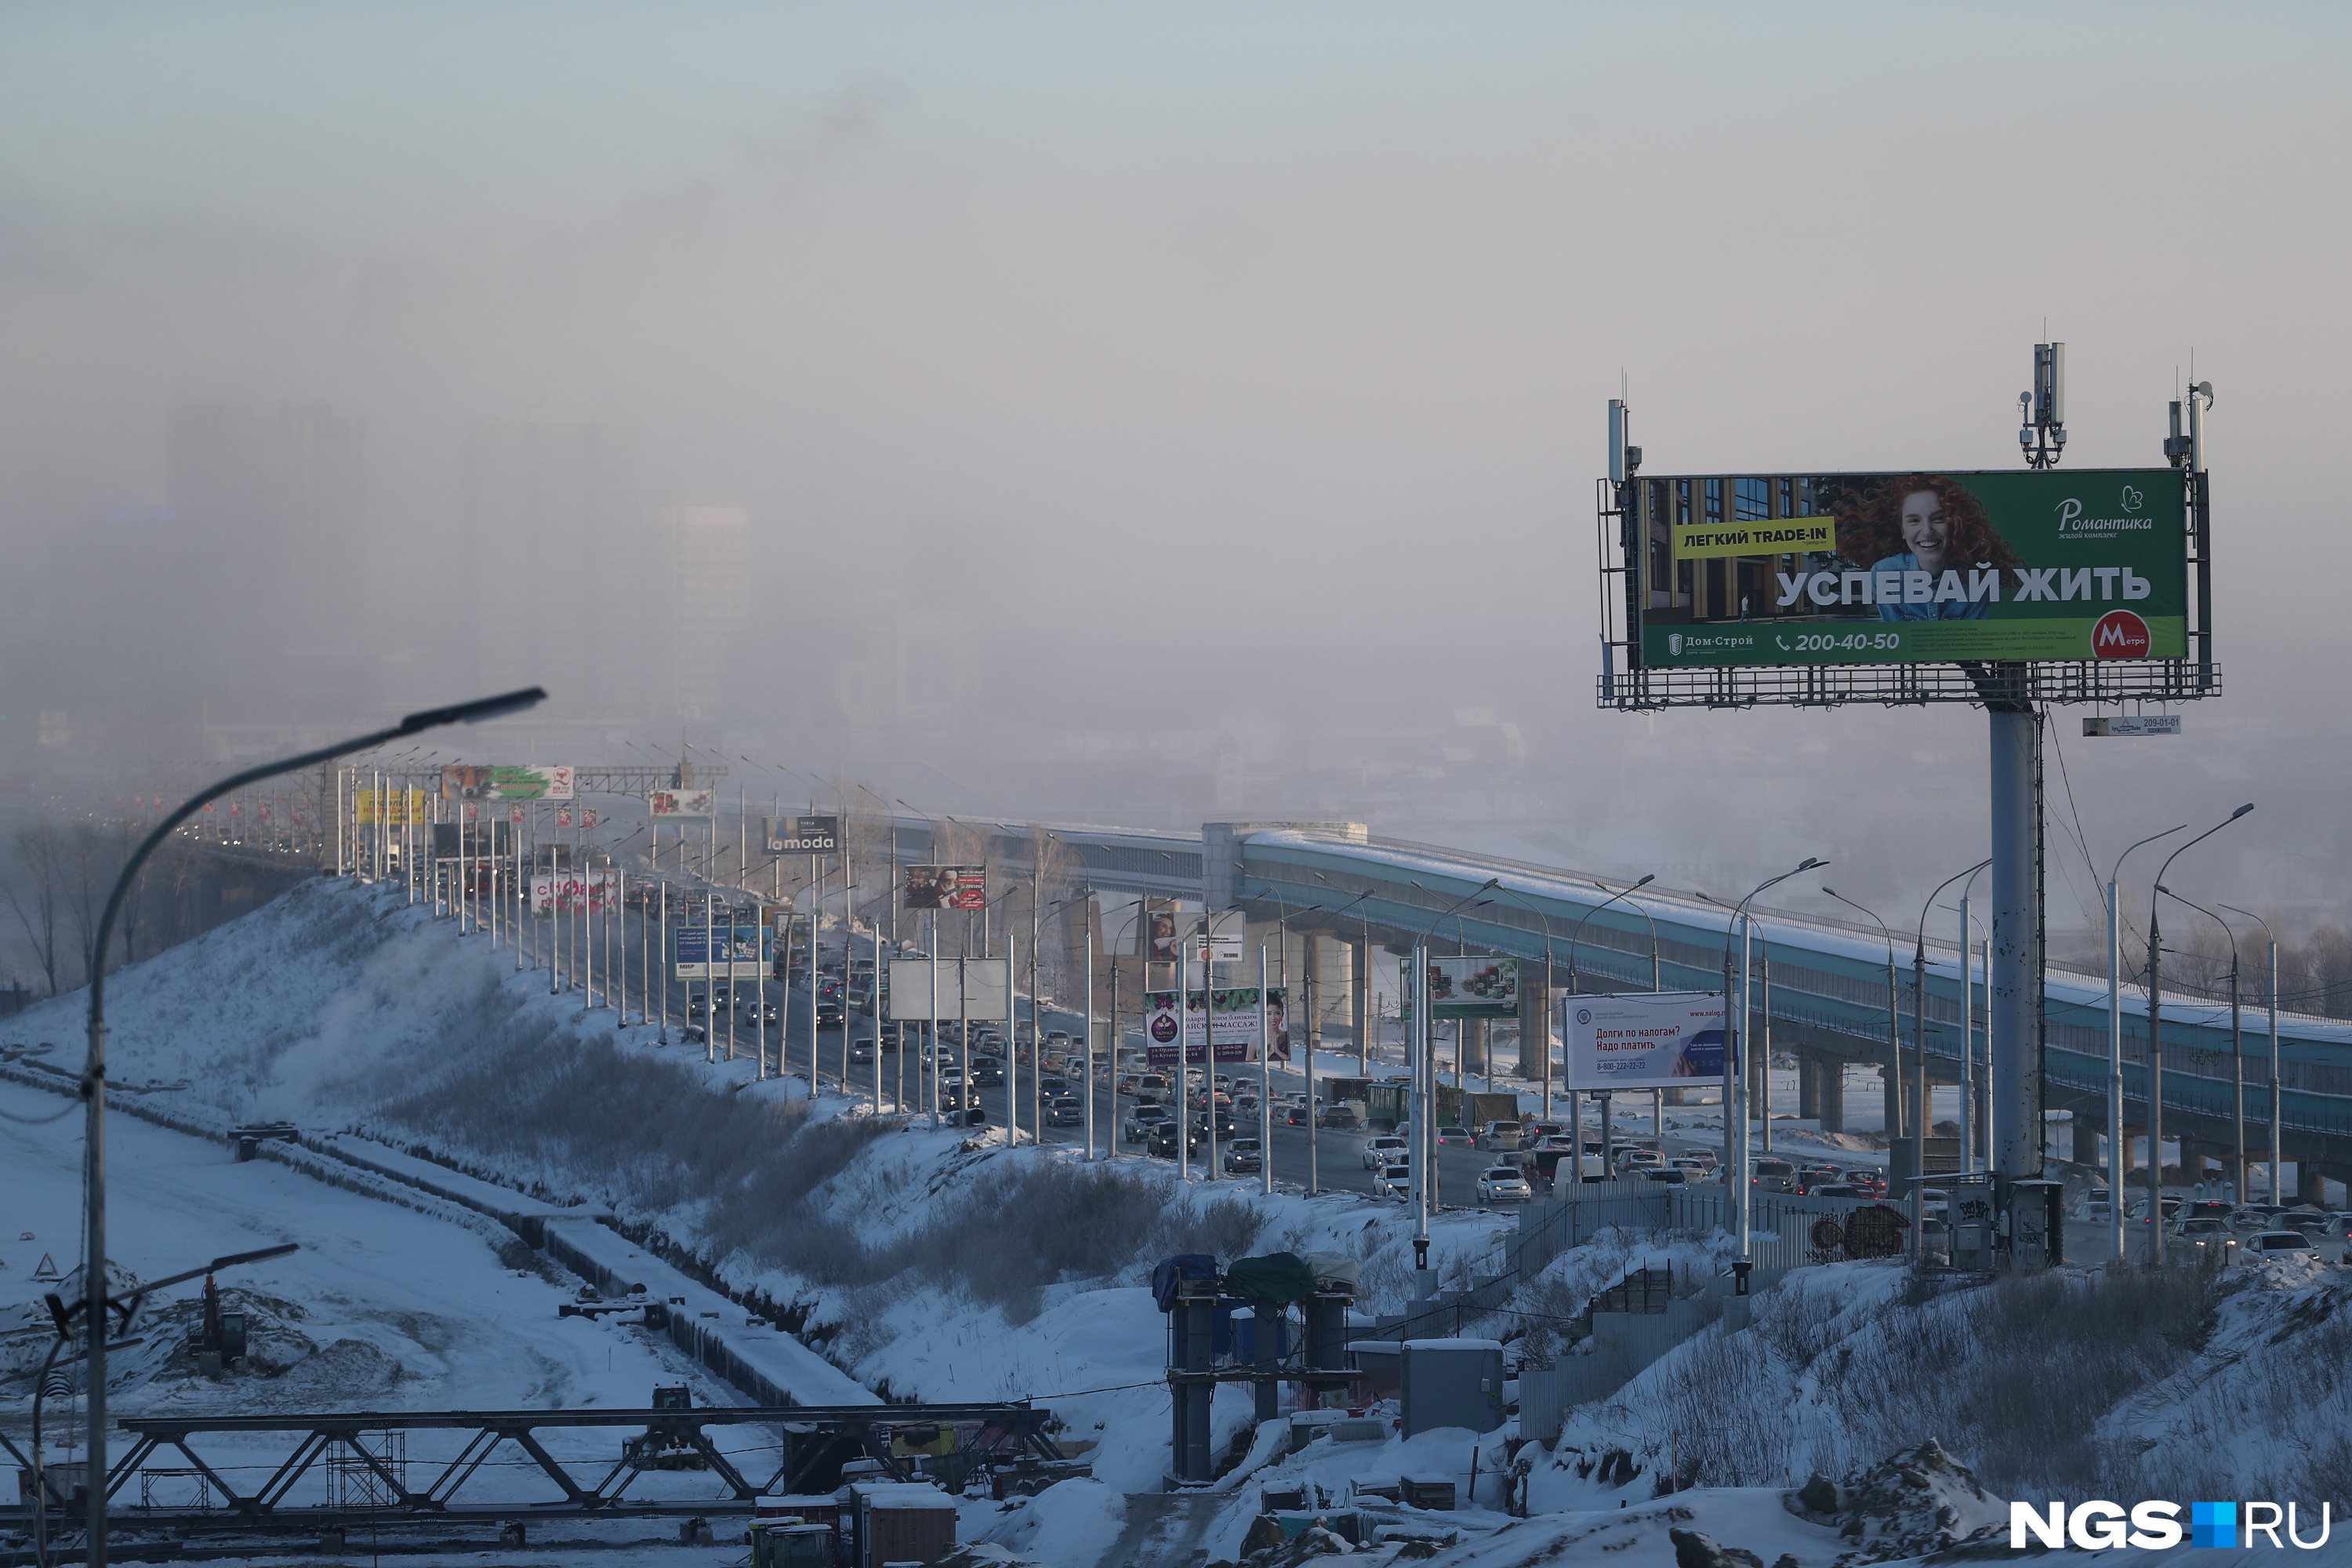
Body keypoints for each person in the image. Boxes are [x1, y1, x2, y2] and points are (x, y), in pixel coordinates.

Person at [1832, 473, 2020, 622]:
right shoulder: (1884, 573)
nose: (1928, 531)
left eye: (1938, 518)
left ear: (1954, 523)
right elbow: (1899, 644)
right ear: (1902, 530)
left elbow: (1971, 648)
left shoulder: (1976, 577)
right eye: (1914, 521)